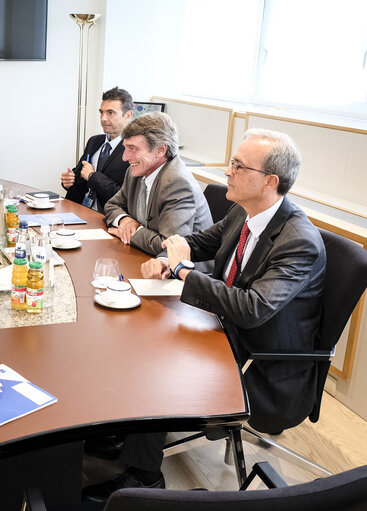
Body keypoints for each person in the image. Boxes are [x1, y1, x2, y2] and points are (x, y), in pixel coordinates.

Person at [82, 129, 326, 502]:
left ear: (270, 181)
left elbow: (252, 309)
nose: (227, 171)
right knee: (133, 333)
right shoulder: (244, 213)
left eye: (238, 165)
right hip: (221, 328)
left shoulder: (298, 240)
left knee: (151, 360)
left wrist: (183, 271)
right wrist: (168, 260)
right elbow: (196, 244)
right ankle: (119, 432)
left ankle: (144, 476)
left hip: (260, 361)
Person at [103, 111, 213, 261]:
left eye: (133, 148)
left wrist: (135, 230)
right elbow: (112, 205)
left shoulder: (177, 183)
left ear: (160, 150)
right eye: (125, 148)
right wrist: (125, 220)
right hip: (145, 256)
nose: (125, 157)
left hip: (183, 273)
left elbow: (170, 246)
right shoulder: (136, 170)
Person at [61, 87, 134, 212]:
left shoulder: (133, 150)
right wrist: (69, 181)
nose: (103, 118)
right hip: (78, 210)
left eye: (110, 113)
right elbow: (80, 178)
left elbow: (125, 196)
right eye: (101, 112)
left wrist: (92, 176)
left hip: (106, 216)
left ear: (128, 115)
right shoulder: (94, 141)